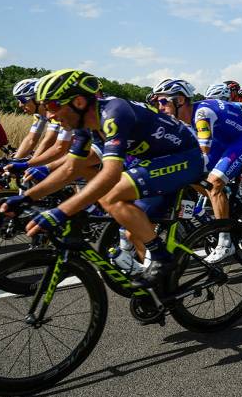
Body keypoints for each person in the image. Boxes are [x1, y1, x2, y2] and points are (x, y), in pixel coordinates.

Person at [14, 69, 204, 287]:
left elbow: (111, 173)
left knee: (110, 195)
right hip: (153, 162)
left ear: (77, 102)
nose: (50, 115)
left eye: (53, 106)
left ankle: (162, 258)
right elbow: (71, 168)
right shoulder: (86, 125)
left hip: (184, 157)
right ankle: (162, 288)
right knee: (132, 231)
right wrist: (25, 198)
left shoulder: (114, 112)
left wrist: (60, 212)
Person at [154, 78, 242, 262]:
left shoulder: (201, 113)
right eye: (156, 102)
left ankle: (226, 243)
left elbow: (203, 150)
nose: (159, 106)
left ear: (179, 100)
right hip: (222, 141)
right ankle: (221, 204)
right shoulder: (180, 120)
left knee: (214, 183)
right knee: (191, 177)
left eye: (163, 101)